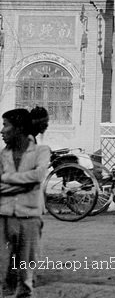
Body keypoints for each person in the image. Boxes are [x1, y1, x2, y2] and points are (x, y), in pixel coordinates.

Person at [0, 108, 52, 297]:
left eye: (5, 125)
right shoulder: (3, 154)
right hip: (5, 215)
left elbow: (38, 177)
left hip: (30, 215)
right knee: (3, 269)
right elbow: (31, 182)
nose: (2, 130)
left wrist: (7, 178)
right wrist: (24, 184)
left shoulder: (41, 150)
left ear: (19, 128)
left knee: (26, 273)